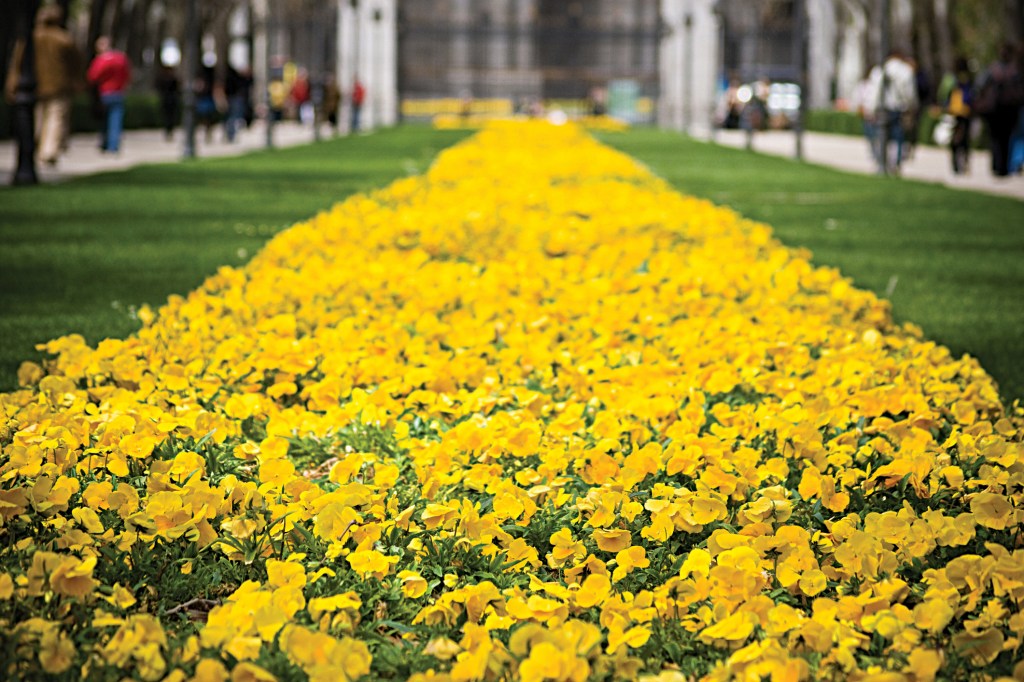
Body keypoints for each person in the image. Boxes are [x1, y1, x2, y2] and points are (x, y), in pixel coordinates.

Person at [4, 6, 82, 166]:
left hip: (35, 85)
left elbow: (17, 64)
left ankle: (36, 146)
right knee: (56, 117)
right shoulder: (64, 39)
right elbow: (77, 64)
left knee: (38, 117)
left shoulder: (30, 38)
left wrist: (11, 84)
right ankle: (48, 151)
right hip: (59, 85)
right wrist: (77, 81)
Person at [975, 43, 1024, 177]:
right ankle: (1004, 167)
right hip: (1009, 109)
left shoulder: (993, 70)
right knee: (1006, 138)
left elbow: (980, 84)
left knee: (996, 138)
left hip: (995, 109)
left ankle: (997, 166)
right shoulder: (1014, 71)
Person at [871, 48, 918, 175]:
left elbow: (874, 91)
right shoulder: (905, 71)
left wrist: (872, 108)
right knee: (898, 136)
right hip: (899, 108)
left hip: (884, 108)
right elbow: (909, 93)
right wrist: (910, 106)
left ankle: (882, 160)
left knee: (882, 135)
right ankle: (896, 162)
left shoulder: (879, 70)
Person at [87, 36, 131, 154]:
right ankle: (114, 145)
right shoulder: (121, 58)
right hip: (118, 92)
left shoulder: (101, 60)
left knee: (104, 120)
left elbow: (92, 76)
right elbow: (127, 75)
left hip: (105, 93)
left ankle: (105, 142)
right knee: (116, 120)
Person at [940, 57, 974, 175]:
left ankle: (955, 163)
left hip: (953, 110)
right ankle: (964, 161)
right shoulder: (969, 78)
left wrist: (944, 105)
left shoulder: (950, 78)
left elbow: (943, 93)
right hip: (966, 110)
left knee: (955, 137)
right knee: (964, 138)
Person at [223, 65, 252, 143]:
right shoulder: (236, 79)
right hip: (235, 99)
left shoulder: (232, 79)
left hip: (233, 99)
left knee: (232, 118)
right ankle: (231, 135)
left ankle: (230, 135)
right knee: (233, 118)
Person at [154, 63, 179, 141]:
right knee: (168, 117)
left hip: (169, 100)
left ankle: (168, 131)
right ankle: (168, 131)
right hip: (168, 99)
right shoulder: (168, 79)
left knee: (169, 117)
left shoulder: (171, 79)